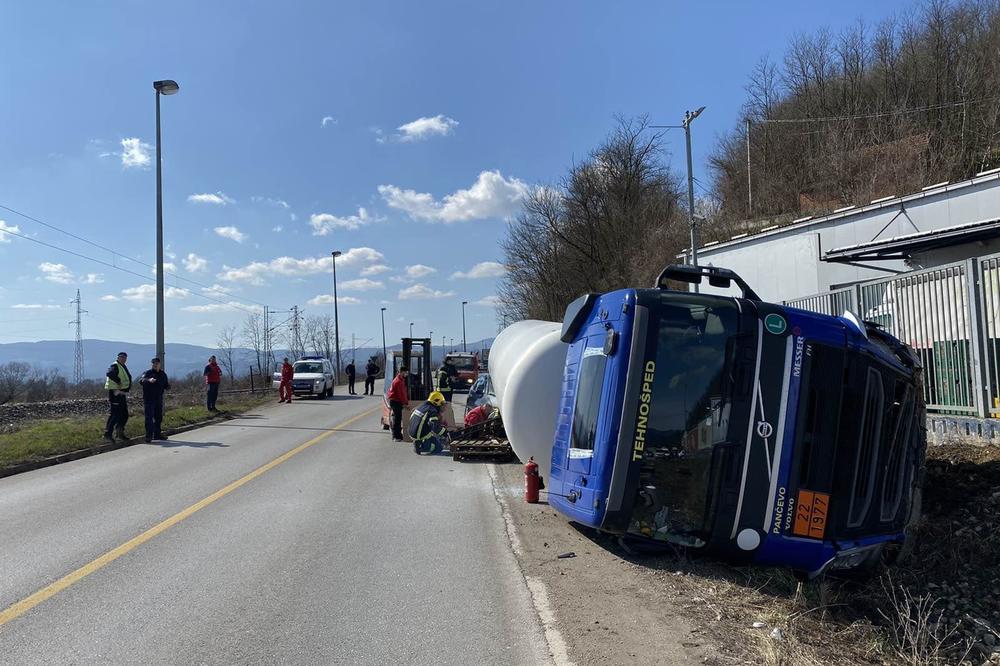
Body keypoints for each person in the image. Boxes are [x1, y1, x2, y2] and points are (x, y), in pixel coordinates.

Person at [138, 357, 170, 443]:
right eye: (153, 363)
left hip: (159, 398)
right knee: (149, 417)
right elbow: (141, 381)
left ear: (160, 364)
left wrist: (167, 387)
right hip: (149, 399)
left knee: (158, 417)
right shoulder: (148, 372)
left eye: (157, 363)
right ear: (151, 364)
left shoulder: (163, 374)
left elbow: (166, 384)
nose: (155, 364)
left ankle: (157, 434)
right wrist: (148, 380)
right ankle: (148, 436)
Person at [408, 391, 450, 455]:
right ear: (436, 403)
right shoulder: (432, 411)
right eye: (442, 403)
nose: (443, 406)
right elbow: (435, 428)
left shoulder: (424, 405)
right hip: (419, 433)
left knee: (432, 433)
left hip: (411, 431)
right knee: (438, 448)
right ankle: (422, 447)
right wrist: (445, 433)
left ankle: (418, 442)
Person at [102, 351, 132, 442]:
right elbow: (110, 373)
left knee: (124, 415)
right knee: (115, 415)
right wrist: (118, 381)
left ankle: (119, 433)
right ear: (118, 357)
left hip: (121, 394)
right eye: (121, 357)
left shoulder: (122, 366)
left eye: (124, 357)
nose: (123, 358)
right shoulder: (115, 365)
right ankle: (107, 435)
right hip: (115, 393)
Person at [387, 366, 409, 441]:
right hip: (396, 401)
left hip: (396, 401)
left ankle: (398, 435)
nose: (407, 374)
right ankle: (396, 436)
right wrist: (405, 403)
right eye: (406, 372)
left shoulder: (400, 379)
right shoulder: (398, 381)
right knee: (397, 419)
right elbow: (401, 394)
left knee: (398, 419)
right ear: (402, 372)